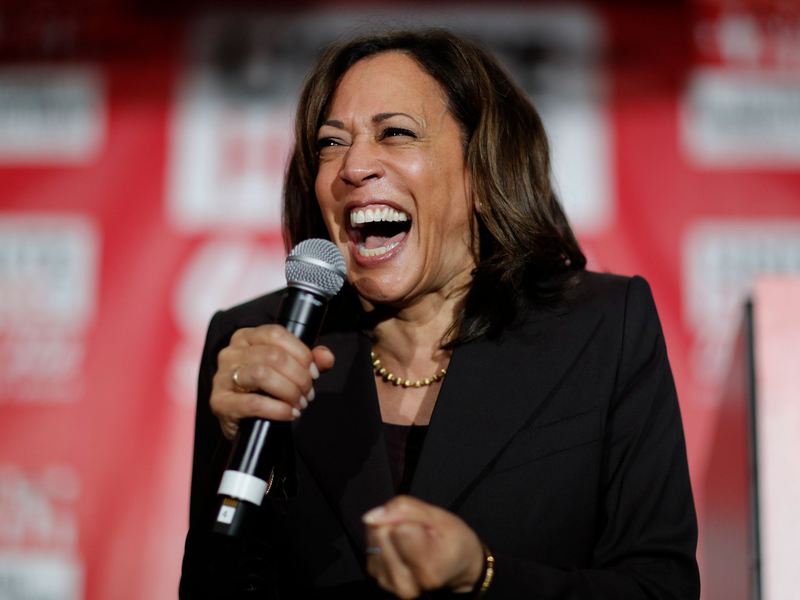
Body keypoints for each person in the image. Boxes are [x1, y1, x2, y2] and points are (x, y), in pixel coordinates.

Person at [180, 28, 700, 599]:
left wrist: (482, 575)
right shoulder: (260, 345)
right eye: (331, 143)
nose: (353, 167)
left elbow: (659, 587)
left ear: (482, 170)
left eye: (395, 133)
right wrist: (240, 447)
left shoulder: (604, 329)